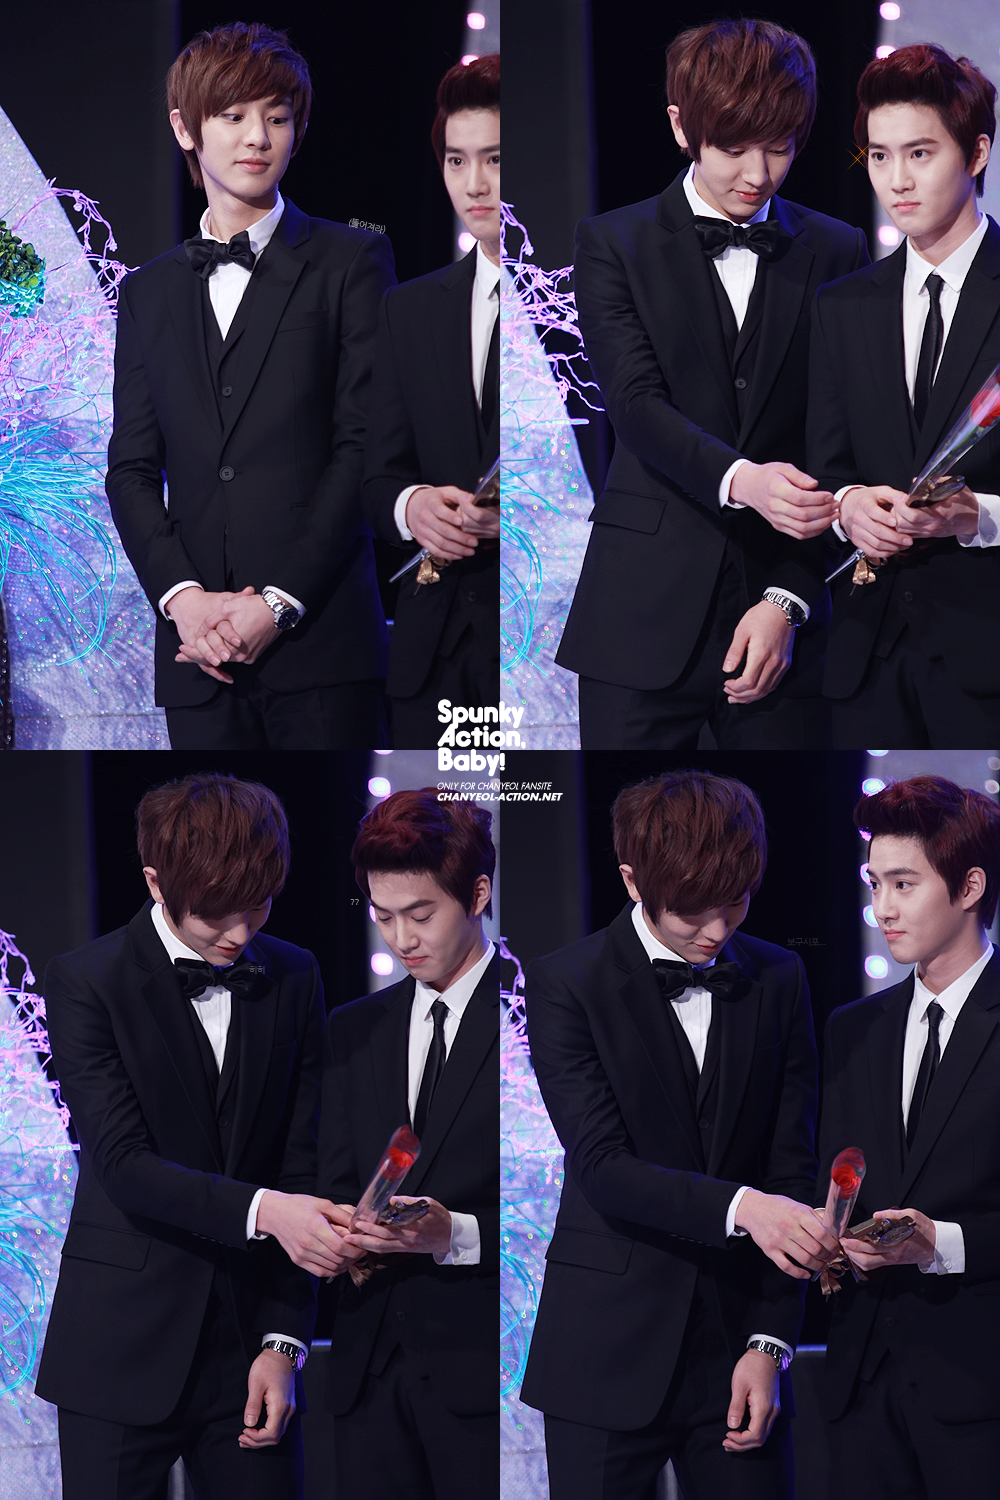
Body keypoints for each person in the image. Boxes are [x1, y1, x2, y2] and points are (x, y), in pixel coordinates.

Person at [521, 771, 840, 1500]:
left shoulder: (779, 976)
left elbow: (790, 1165)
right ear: (633, 880)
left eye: (737, 902)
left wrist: (770, 1343)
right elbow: (602, 1167)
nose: (719, 931)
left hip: (738, 1346)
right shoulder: (566, 982)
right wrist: (745, 1209)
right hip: (603, 1351)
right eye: (694, 911)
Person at [34, 773, 350, 1499]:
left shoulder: (294, 973)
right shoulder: (86, 981)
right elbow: (123, 1165)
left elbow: (300, 1158)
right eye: (216, 914)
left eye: (258, 905)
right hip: (118, 1345)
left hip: (250, 1348)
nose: (241, 934)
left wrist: (283, 1342)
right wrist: (267, 1211)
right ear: (155, 882)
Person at [557, 18, 868, 751]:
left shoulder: (838, 248)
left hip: (782, 612)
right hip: (640, 611)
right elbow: (634, 406)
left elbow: (840, 439)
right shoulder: (613, 243)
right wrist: (744, 481)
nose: (758, 173)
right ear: (680, 127)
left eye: (780, 147)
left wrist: (788, 599)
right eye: (733, 148)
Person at [106, 23, 395, 750]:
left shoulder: (352, 261)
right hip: (197, 657)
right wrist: (184, 600)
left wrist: (279, 602)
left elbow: (363, 446)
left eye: (277, 117)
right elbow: (132, 468)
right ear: (186, 128)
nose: (258, 137)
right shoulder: (146, 292)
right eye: (233, 116)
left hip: (323, 645)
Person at [808, 44, 1000, 747]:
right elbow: (826, 465)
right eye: (880, 156)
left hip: (987, 652)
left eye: (920, 153)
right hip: (866, 654)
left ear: (976, 153)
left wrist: (977, 516)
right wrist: (849, 506)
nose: (898, 180)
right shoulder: (842, 305)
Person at [818, 775, 1000, 1496]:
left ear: (969, 887)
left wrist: (940, 1244)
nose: (882, 909)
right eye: (875, 885)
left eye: (903, 884)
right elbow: (835, 1180)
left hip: (980, 1386)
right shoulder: (853, 1029)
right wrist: (829, 1239)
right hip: (861, 1384)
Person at [316, 789, 499, 1499]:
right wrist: (341, 1230)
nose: (401, 939)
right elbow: (331, 1177)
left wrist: (456, 1233)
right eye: (382, 915)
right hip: (366, 1371)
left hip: (489, 1368)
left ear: (477, 894)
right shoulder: (352, 1028)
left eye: (421, 915)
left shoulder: (542, 1013)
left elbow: (580, 1201)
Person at [362, 56, 501, 748]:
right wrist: (412, 506)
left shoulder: (583, 300)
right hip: (432, 651)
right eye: (456, 161)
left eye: (496, 159)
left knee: (537, 796)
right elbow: (375, 472)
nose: (474, 185)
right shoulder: (409, 309)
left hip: (545, 638)